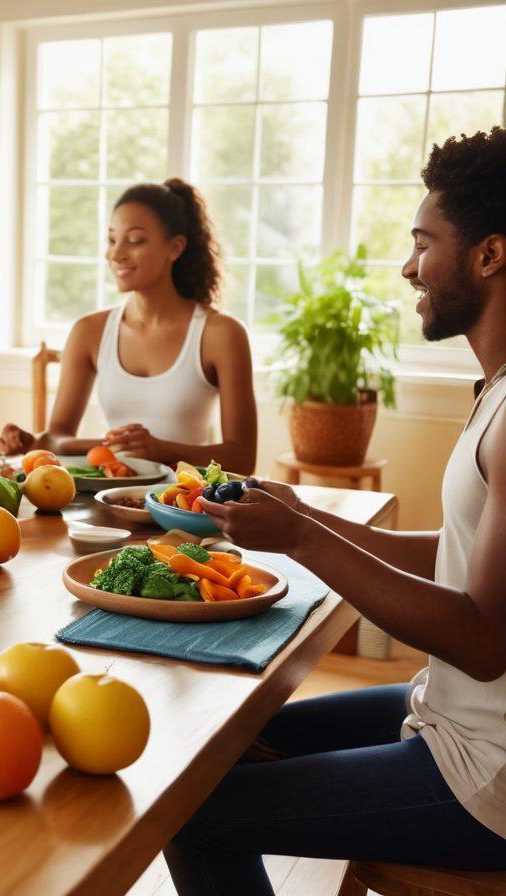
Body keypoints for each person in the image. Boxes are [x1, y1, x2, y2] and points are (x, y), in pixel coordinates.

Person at [166, 128, 506, 892]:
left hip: (485, 776)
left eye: (425, 243)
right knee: (220, 746)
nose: (408, 266)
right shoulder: (496, 391)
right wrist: (307, 522)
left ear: (489, 254)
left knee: (185, 807)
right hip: (454, 720)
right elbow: (460, 554)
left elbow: (484, 642)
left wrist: (300, 541)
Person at [0, 179, 256, 473]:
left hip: (185, 505)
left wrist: (161, 450)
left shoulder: (221, 335)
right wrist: (33, 442)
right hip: (110, 497)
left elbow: (243, 457)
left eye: (134, 241)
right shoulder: (89, 332)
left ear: (175, 247)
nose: (116, 253)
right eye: (111, 240)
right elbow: (57, 437)